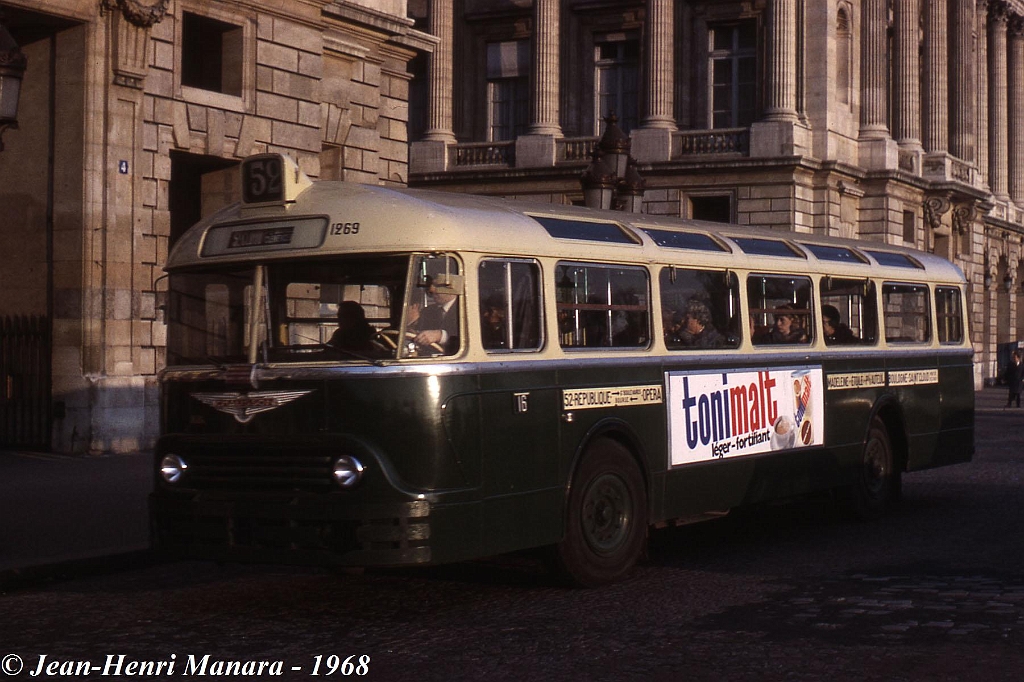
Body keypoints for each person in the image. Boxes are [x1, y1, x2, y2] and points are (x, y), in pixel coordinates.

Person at [408, 277, 460, 353]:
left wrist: (440, 336)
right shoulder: (427, 312)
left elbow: (471, 339)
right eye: (430, 285)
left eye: (437, 285)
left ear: (452, 286)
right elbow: (417, 332)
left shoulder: (468, 310)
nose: (431, 289)